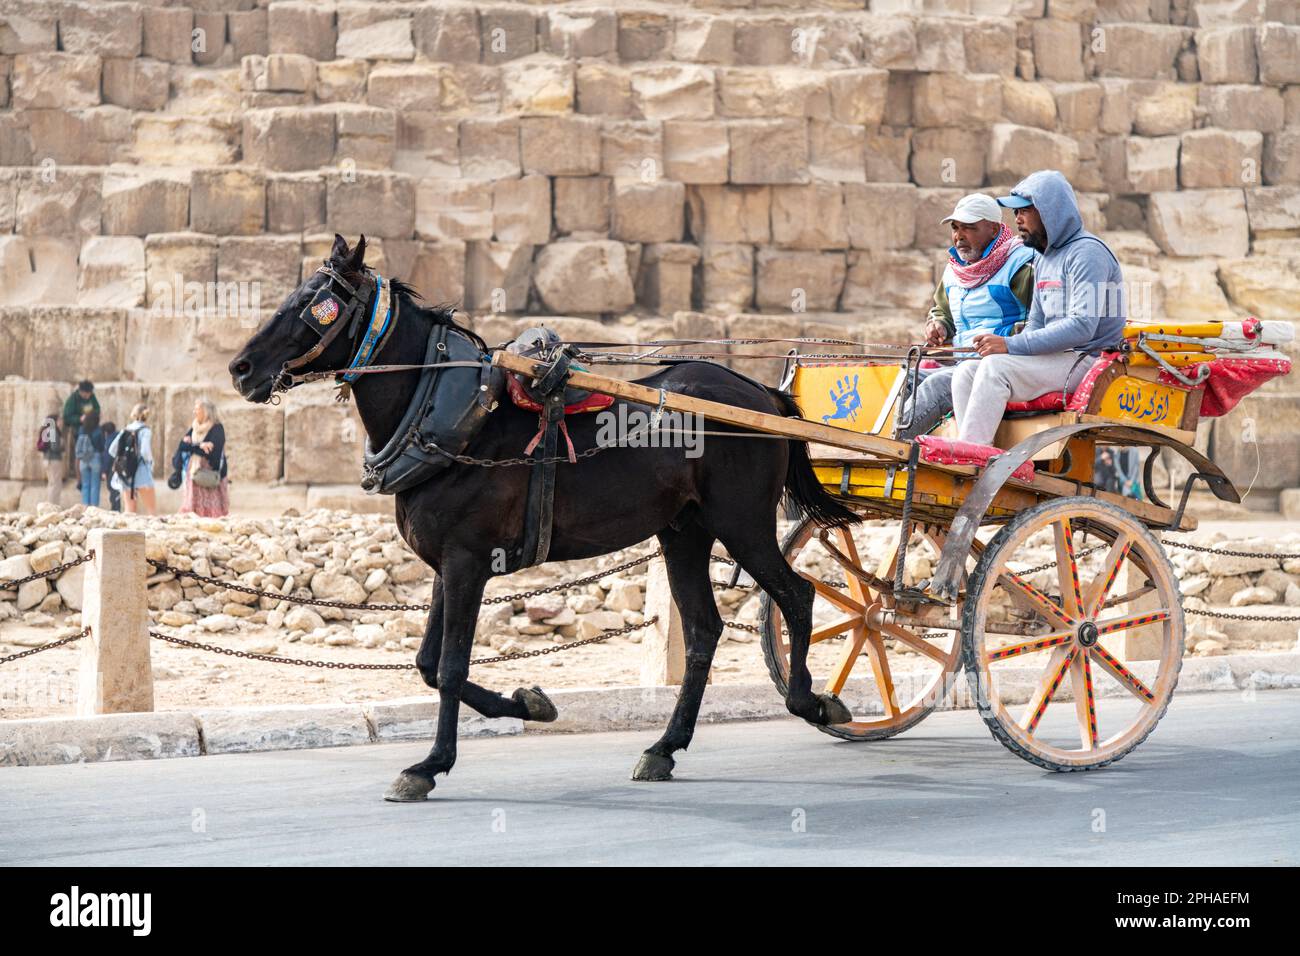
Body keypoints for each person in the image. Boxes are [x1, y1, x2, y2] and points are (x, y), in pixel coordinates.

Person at [950, 170, 1126, 447]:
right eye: (1015, 212)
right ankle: (979, 450)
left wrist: (1009, 345)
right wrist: (1005, 345)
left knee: (996, 369)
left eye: (1024, 211)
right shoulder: (1044, 257)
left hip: (1089, 361)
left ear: (1050, 211)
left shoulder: (1087, 253)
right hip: (1057, 359)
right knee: (966, 372)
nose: (1017, 219)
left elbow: (1082, 326)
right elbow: (1036, 324)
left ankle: (970, 455)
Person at [898, 193, 1035, 440]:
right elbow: (942, 310)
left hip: (992, 368)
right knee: (905, 376)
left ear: (993, 229)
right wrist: (938, 325)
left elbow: (1040, 320)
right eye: (955, 228)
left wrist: (1008, 337)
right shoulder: (955, 269)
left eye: (969, 228)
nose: (959, 236)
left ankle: (889, 447)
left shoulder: (1020, 264)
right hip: (961, 362)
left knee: (935, 387)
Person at [176, 398, 230, 518]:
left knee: (213, 512)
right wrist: (199, 446)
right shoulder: (194, 427)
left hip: (209, 473)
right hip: (194, 471)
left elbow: (212, 452)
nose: (194, 412)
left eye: (197, 409)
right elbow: (182, 446)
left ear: (205, 411)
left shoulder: (217, 428)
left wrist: (192, 446)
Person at [109, 403, 156, 515]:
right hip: (142, 472)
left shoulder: (125, 429)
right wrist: (151, 462)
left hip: (127, 473)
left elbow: (112, 450)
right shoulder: (145, 431)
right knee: (151, 510)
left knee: (129, 510)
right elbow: (145, 451)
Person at [61, 380, 99, 489]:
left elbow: (97, 408)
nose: (88, 396)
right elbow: (67, 417)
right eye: (87, 394)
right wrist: (79, 419)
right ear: (82, 392)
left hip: (92, 429)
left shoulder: (92, 397)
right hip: (79, 430)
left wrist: (93, 415)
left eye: (90, 394)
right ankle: (80, 480)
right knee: (79, 454)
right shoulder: (73, 399)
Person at [74, 410, 105, 507]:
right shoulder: (99, 430)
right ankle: (94, 508)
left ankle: (85, 506)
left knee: (85, 484)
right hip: (95, 457)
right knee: (95, 484)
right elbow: (102, 446)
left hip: (83, 459)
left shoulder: (81, 429)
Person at [36, 412, 64, 506]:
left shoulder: (46, 430)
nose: (61, 422)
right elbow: (54, 447)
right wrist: (63, 447)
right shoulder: (53, 431)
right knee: (56, 485)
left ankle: (49, 505)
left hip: (47, 460)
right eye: (59, 420)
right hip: (54, 460)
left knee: (51, 484)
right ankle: (53, 506)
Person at [99, 420, 121, 511]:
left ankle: (115, 509)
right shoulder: (119, 437)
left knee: (113, 488)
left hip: (112, 467)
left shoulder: (110, 440)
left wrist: (104, 471)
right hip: (121, 466)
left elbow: (107, 457)